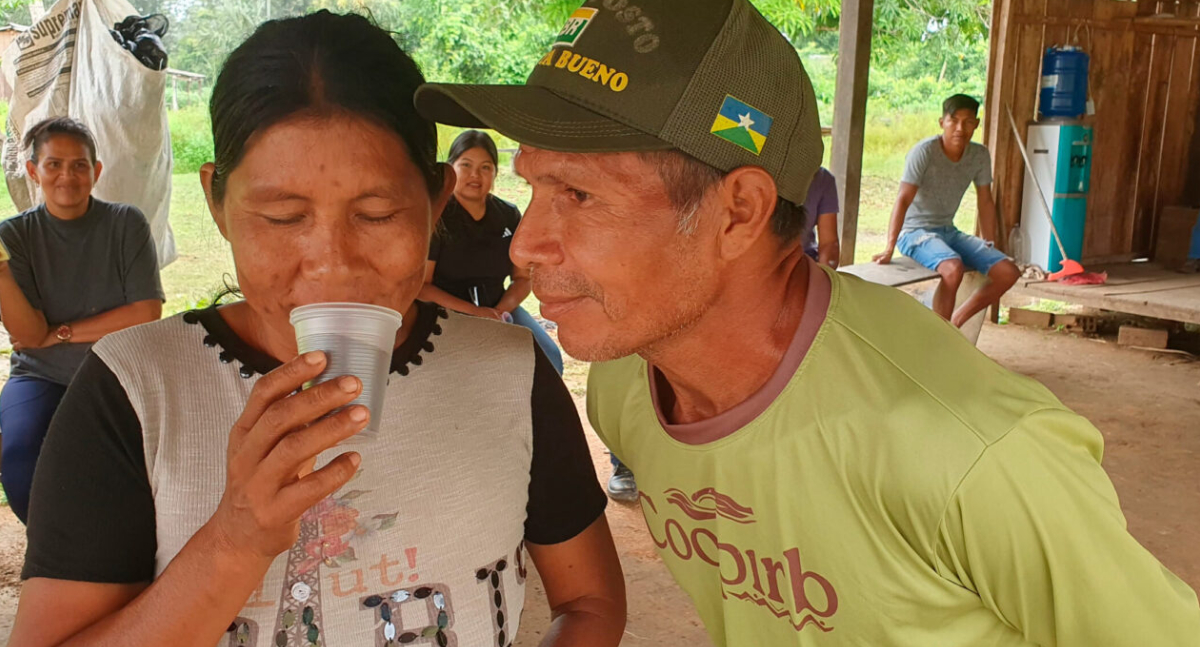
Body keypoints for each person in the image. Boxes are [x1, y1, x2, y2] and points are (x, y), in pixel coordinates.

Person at [415, 0, 1200, 644]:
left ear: (740, 212)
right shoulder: (627, 387)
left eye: (578, 195)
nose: (526, 241)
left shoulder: (972, 456)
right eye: (534, 187)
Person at [9, 12, 625, 647]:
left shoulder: (512, 374)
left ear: (437, 199)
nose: (333, 263)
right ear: (218, 203)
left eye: (378, 213)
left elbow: (589, 603)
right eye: (281, 217)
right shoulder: (136, 390)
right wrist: (234, 541)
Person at [0, 116, 163, 524]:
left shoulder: (126, 224)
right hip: (41, 375)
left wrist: (61, 332)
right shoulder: (16, 237)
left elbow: (145, 312)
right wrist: (2, 273)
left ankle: (129, 545)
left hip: (120, 369)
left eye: (79, 165)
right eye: (54, 164)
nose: (67, 176)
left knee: (133, 461)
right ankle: (50, 545)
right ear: (34, 172)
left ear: (97, 171)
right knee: (19, 451)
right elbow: (27, 335)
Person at [421, 129, 565, 373]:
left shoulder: (508, 215)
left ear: (495, 173)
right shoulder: (438, 217)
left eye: (486, 167)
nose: (475, 174)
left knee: (548, 358)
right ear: (451, 168)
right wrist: (475, 313)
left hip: (499, 309)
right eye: (466, 165)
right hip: (445, 313)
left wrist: (499, 311)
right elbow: (422, 287)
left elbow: (522, 279)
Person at [873, 94, 1021, 326]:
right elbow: (903, 199)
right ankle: (938, 333)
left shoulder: (979, 155)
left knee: (1008, 272)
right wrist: (890, 246)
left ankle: (954, 323)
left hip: (948, 231)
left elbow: (985, 201)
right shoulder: (924, 151)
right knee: (953, 268)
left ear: (976, 124)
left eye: (968, 121)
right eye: (954, 120)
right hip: (914, 232)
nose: (960, 128)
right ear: (942, 122)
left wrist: (989, 243)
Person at [804, 167, 840, 268]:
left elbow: (829, 243)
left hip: (804, 259)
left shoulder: (823, 179)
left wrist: (822, 276)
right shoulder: (759, 174)